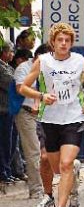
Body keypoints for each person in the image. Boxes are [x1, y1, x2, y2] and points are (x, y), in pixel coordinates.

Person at [19, 23, 84, 207]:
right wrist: (41, 96)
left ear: (71, 43)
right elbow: (22, 87)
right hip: (49, 119)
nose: (64, 44)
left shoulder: (80, 61)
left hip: (74, 118)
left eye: (67, 40)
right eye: (60, 40)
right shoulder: (43, 61)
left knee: (65, 164)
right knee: (57, 166)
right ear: (53, 42)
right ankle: (71, 177)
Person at [13, 47, 43, 197]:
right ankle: (36, 189)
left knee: (47, 152)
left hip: (45, 115)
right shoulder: (23, 68)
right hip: (26, 113)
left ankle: (45, 185)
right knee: (33, 151)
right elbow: (20, 89)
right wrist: (39, 96)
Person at [0, 42, 17, 185]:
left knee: (10, 142)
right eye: (11, 51)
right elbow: (13, 84)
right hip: (2, 111)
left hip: (9, 110)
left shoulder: (8, 67)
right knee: (4, 142)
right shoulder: (1, 68)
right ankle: (4, 172)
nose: (13, 54)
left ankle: (7, 170)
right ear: (5, 52)